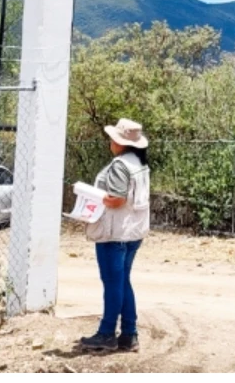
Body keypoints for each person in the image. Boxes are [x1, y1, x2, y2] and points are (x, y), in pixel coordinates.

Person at [79, 118, 151, 353]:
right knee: (122, 282)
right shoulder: (139, 164)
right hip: (133, 232)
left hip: (115, 233)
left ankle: (107, 333)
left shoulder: (120, 165)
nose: (111, 141)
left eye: (114, 138)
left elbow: (117, 200)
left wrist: (93, 196)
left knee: (112, 283)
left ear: (121, 143)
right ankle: (129, 335)